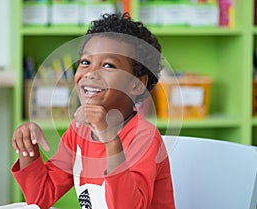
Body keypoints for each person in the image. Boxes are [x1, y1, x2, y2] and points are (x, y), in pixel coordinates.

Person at [11, 13, 175, 209]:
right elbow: (41, 196)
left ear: (136, 84)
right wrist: (28, 148)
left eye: (108, 65)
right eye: (85, 62)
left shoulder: (144, 137)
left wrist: (110, 140)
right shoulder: (78, 131)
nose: (90, 73)